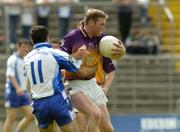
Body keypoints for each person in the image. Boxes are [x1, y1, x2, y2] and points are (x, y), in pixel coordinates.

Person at [60, 8, 125, 132]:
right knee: (94, 115)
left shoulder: (101, 39)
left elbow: (118, 46)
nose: (103, 28)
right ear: (91, 23)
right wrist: (75, 59)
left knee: (108, 129)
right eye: (102, 24)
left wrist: (122, 50)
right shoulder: (71, 37)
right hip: (74, 85)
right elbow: (58, 60)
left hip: (92, 84)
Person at [24, 25, 82, 132]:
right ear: (47, 38)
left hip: (38, 103)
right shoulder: (54, 52)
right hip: (56, 99)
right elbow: (74, 66)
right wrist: (79, 56)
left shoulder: (27, 58)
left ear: (32, 40)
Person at [3, 39, 34, 132]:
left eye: (27, 47)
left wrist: (29, 89)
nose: (25, 49)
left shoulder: (26, 59)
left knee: (31, 115)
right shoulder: (13, 59)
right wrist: (17, 88)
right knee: (11, 118)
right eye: (23, 47)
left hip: (22, 92)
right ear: (18, 47)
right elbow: (10, 75)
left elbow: (26, 77)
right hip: (13, 91)